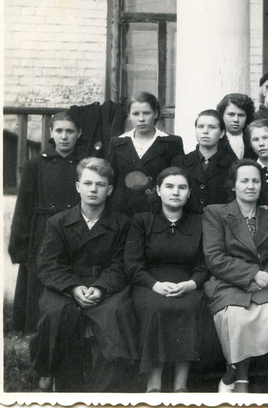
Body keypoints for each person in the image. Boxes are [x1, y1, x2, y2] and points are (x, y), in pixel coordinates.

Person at [30, 158, 138, 392]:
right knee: (59, 313)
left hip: (107, 287)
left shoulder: (122, 224)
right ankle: (56, 376)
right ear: (78, 187)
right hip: (66, 288)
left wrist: (101, 288)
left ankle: (105, 391)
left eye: (100, 184)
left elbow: (122, 264)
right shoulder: (57, 222)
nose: (93, 189)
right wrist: (72, 287)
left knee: (115, 314)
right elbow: (48, 264)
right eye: (88, 183)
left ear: (110, 190)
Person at [203, 159, 268, 393]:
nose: (250, 186)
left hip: (264, 283)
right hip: (228, 281)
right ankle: (237, 375)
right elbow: (214, 257)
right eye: (244, 181)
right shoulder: (216, 213)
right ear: (233, 185)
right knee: (235, 317)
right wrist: (251, 274)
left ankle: (236, 374)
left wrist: (266, 276)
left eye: (255, 181)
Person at [124, 167, 209, 392]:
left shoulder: (200, 222)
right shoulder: (142, 221)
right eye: (169, 186)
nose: (175, 192)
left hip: (187, 284)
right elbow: (133, 264)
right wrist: (155, 285)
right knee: (156, 308)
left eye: (182, 187)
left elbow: (204, 264)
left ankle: (181, 386)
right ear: (158, 190)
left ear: (189, 193)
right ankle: (154, 384)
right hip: (149, 285)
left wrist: (191, 284)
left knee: (190, 307)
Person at [9, 111, 83, 333]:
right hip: (42, 228)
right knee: (39, 278)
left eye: (70, 131)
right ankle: (35, 329)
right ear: (51, 132)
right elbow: (23, 207)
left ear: (79, 133)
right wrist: (20, 245)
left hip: (73, 228)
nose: (64, 137)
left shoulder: (84, 164)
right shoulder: (35, 164)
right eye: (59, 131)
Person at [106, 91, 184, 215]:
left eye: (146, 113)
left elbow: (178, 181)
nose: (141, 119)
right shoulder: (117, 143)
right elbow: (110, 180)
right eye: (136, 114)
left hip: (158, 212)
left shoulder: (171, 143)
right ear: (129, 115)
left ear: (156, 114)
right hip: (123, 213)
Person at [172, 110, 233, 213]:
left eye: (212, 127)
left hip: (219, 221)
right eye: (200, 127)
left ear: (222, 133)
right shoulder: (179, 162)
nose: (205, 131)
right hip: (187, 221)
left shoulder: (232, 164)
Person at [216, 93, 257, 161]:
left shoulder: (252, 138)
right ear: (222, 115)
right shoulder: (216, 140)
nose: (236, 120)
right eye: (231, 114)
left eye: (241, 115)